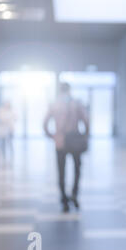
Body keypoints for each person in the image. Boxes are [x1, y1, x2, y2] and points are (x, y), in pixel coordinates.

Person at [43, 83, 89, 213]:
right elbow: (86, 121)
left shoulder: (54, 104)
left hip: (60, 141)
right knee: (77, 169)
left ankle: (64, 200)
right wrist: (85, 137)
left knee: (61, 172)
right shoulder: (77, 103)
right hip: (75, 140)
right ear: (69, 90)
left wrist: (53, 136)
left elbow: (45, 123)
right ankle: (74, 194)